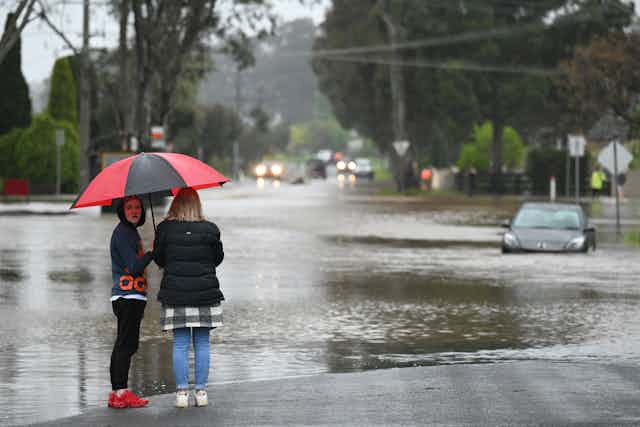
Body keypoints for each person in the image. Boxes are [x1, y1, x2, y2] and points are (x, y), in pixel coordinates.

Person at [153, 188, 225, 408]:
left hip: (175, 295)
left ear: (175, 204)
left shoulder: (164, 229)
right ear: (198, 205)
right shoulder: (211, 229)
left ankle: (182, 393)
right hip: (205, 294)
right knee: (202, 343)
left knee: (181, 345)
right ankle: (201, 392)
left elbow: (160, 260)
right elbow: (217, 258)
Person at [108, 196, 154, 409]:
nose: (134, 211)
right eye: (129, 207)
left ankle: (117, 392)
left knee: (126, 344)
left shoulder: (128, 232)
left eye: (137, 207)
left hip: (130, 297)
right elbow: (134, 267)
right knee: (125, 345)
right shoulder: (123, 233)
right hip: (127, 297)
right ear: (122, 210)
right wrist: (153, 253)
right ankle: (120, 392)